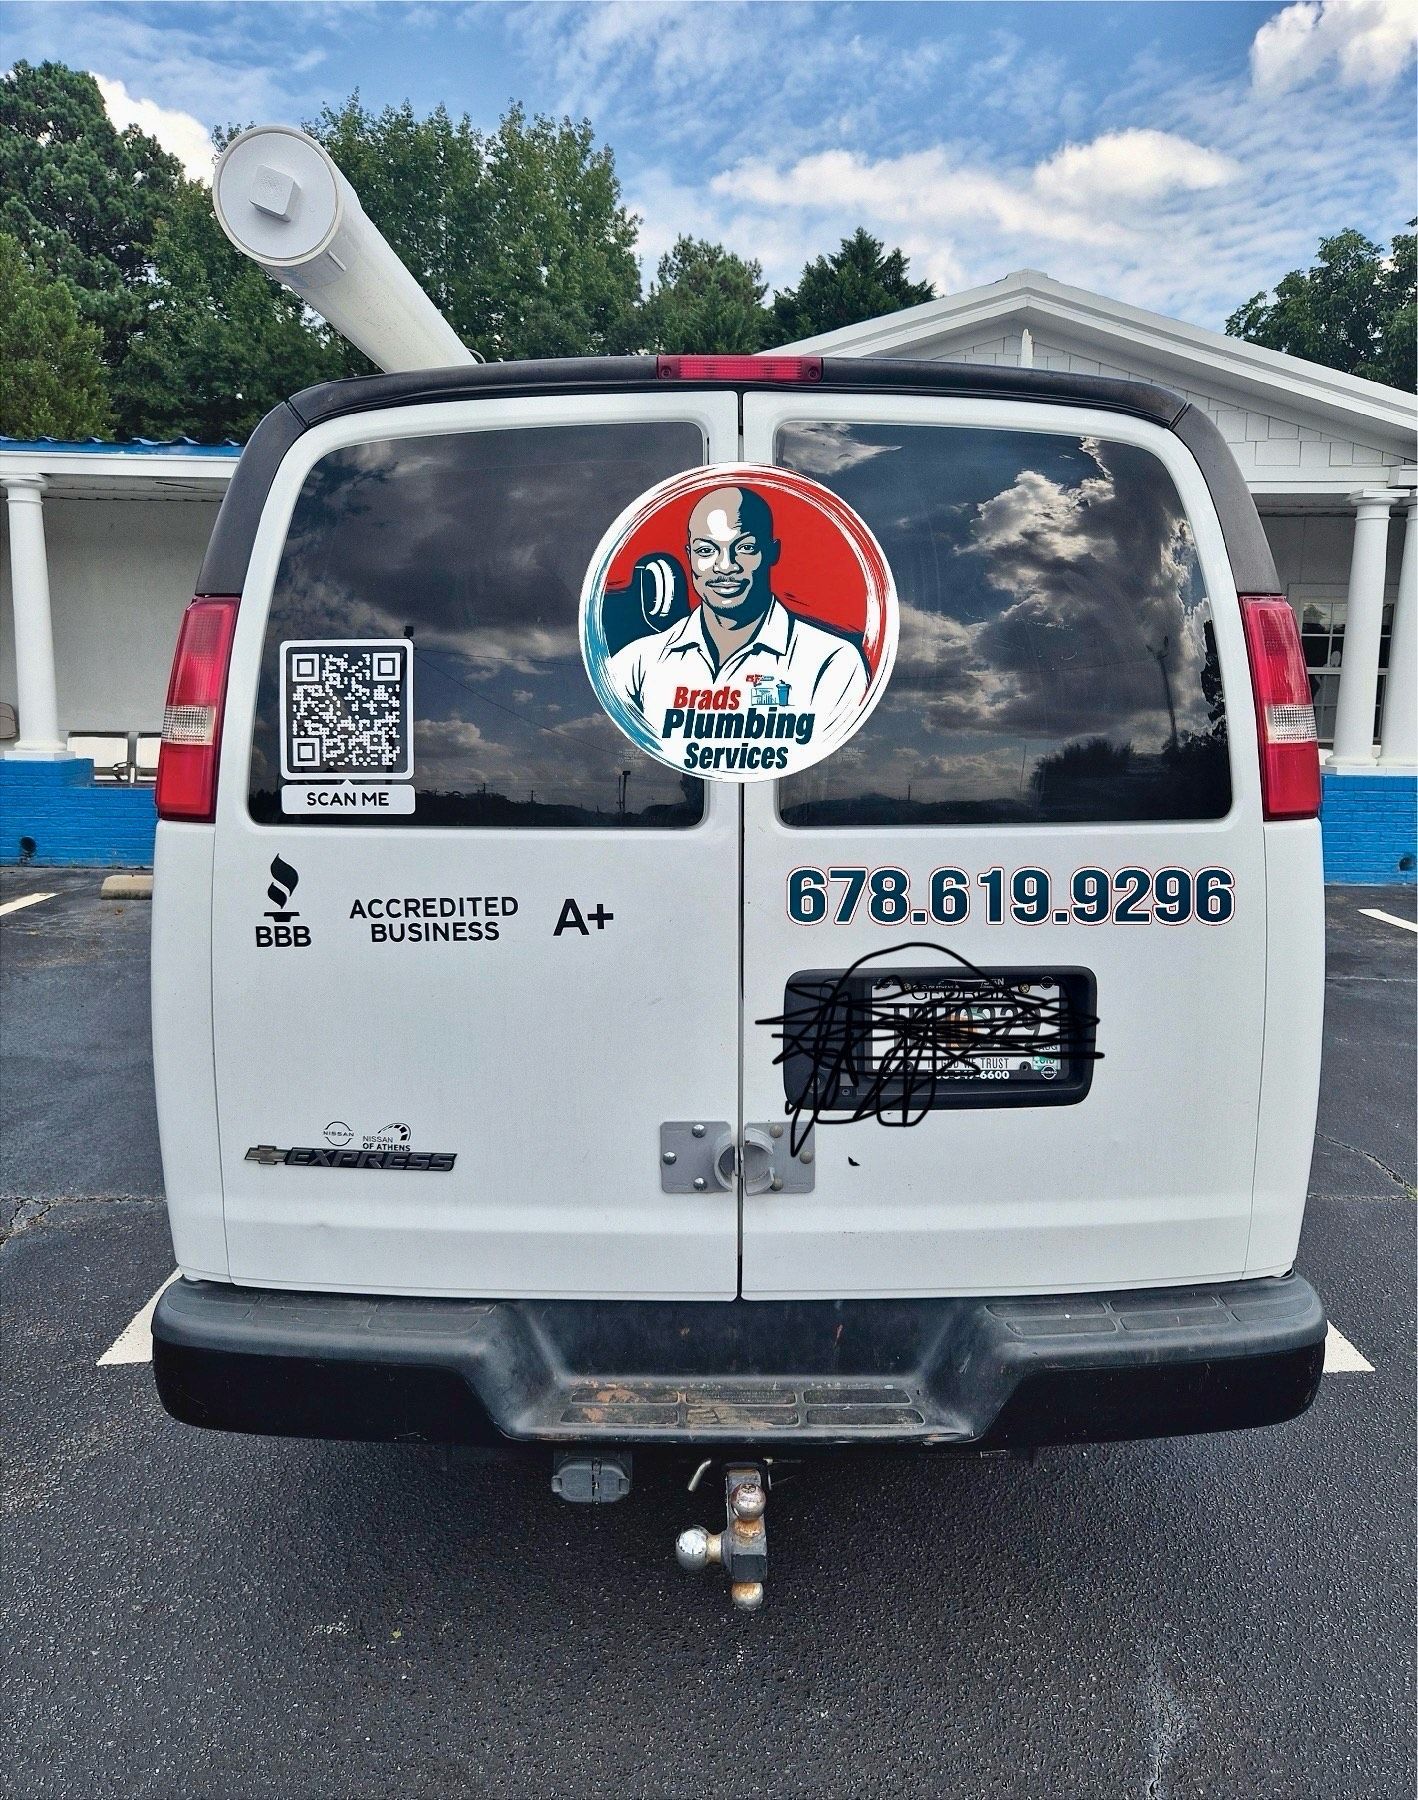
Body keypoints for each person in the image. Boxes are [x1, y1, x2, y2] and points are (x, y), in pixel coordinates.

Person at [605, 486, 870, 724]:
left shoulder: (833, 662)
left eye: (744, 547)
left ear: (772, 552)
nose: (725, 566)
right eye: (706, 551)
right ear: (689, 557)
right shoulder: (636, 663)